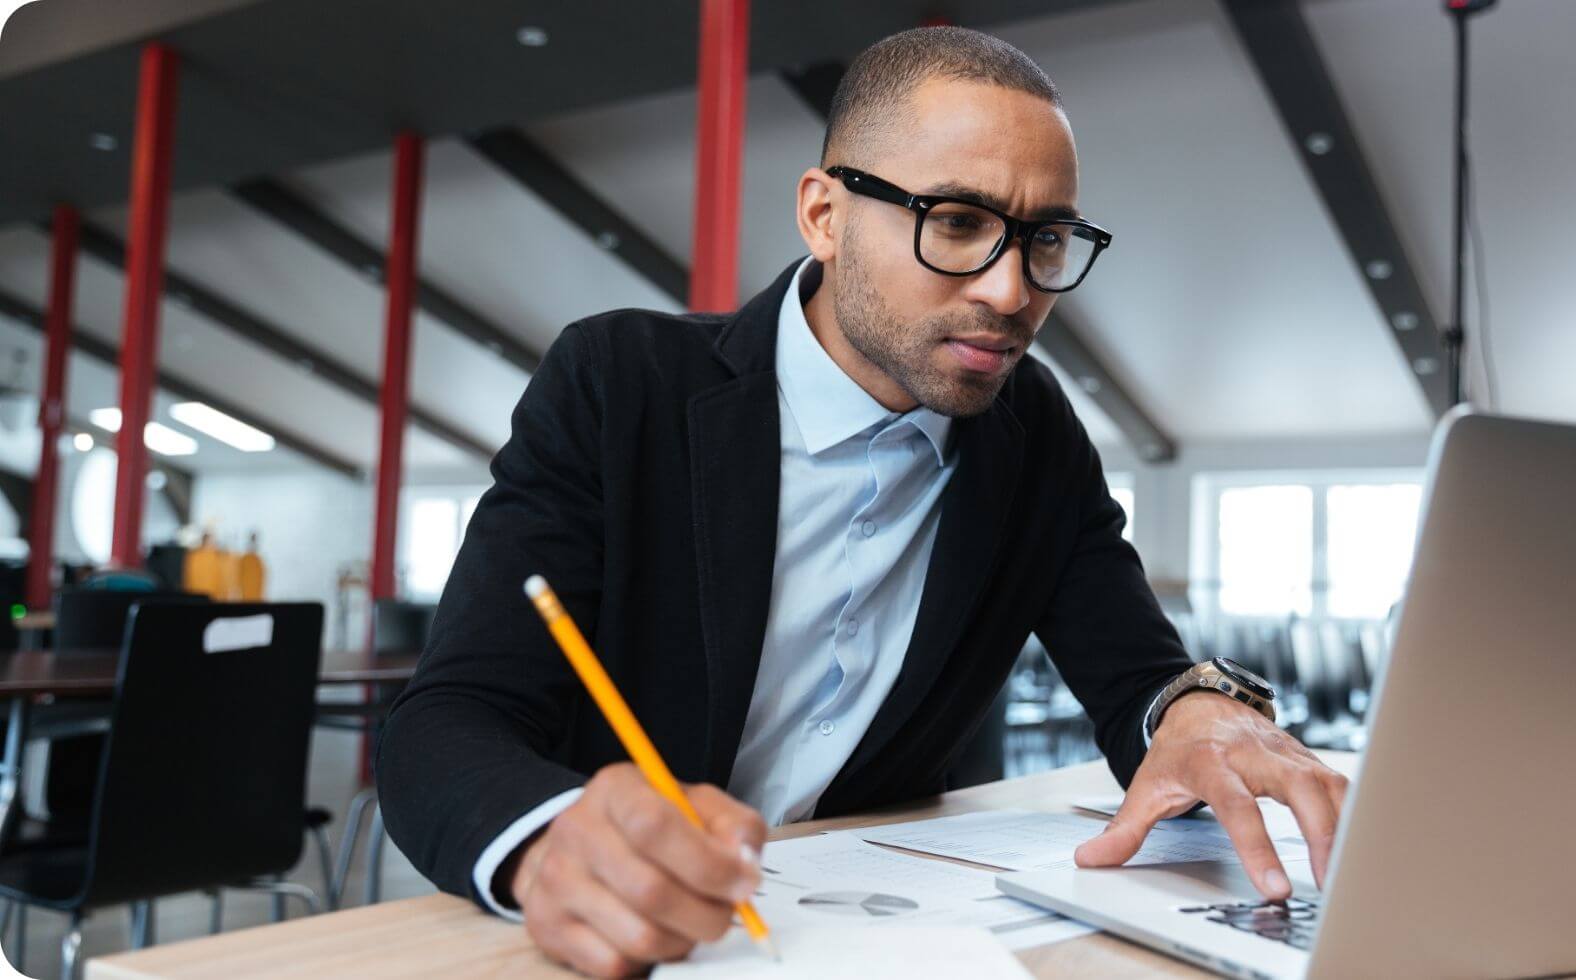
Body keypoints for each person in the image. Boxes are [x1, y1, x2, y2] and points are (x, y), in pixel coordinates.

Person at [377, 25, 1349, 977]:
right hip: (614, 945)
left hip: (876, 941)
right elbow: (444, 723)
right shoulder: (620, 383)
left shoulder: (1031, 429)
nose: (1011, 292)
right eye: (958, 223)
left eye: (1044, 237)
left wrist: (1198, 717)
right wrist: (550, 844)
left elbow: (1140, 683)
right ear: (823, 214)